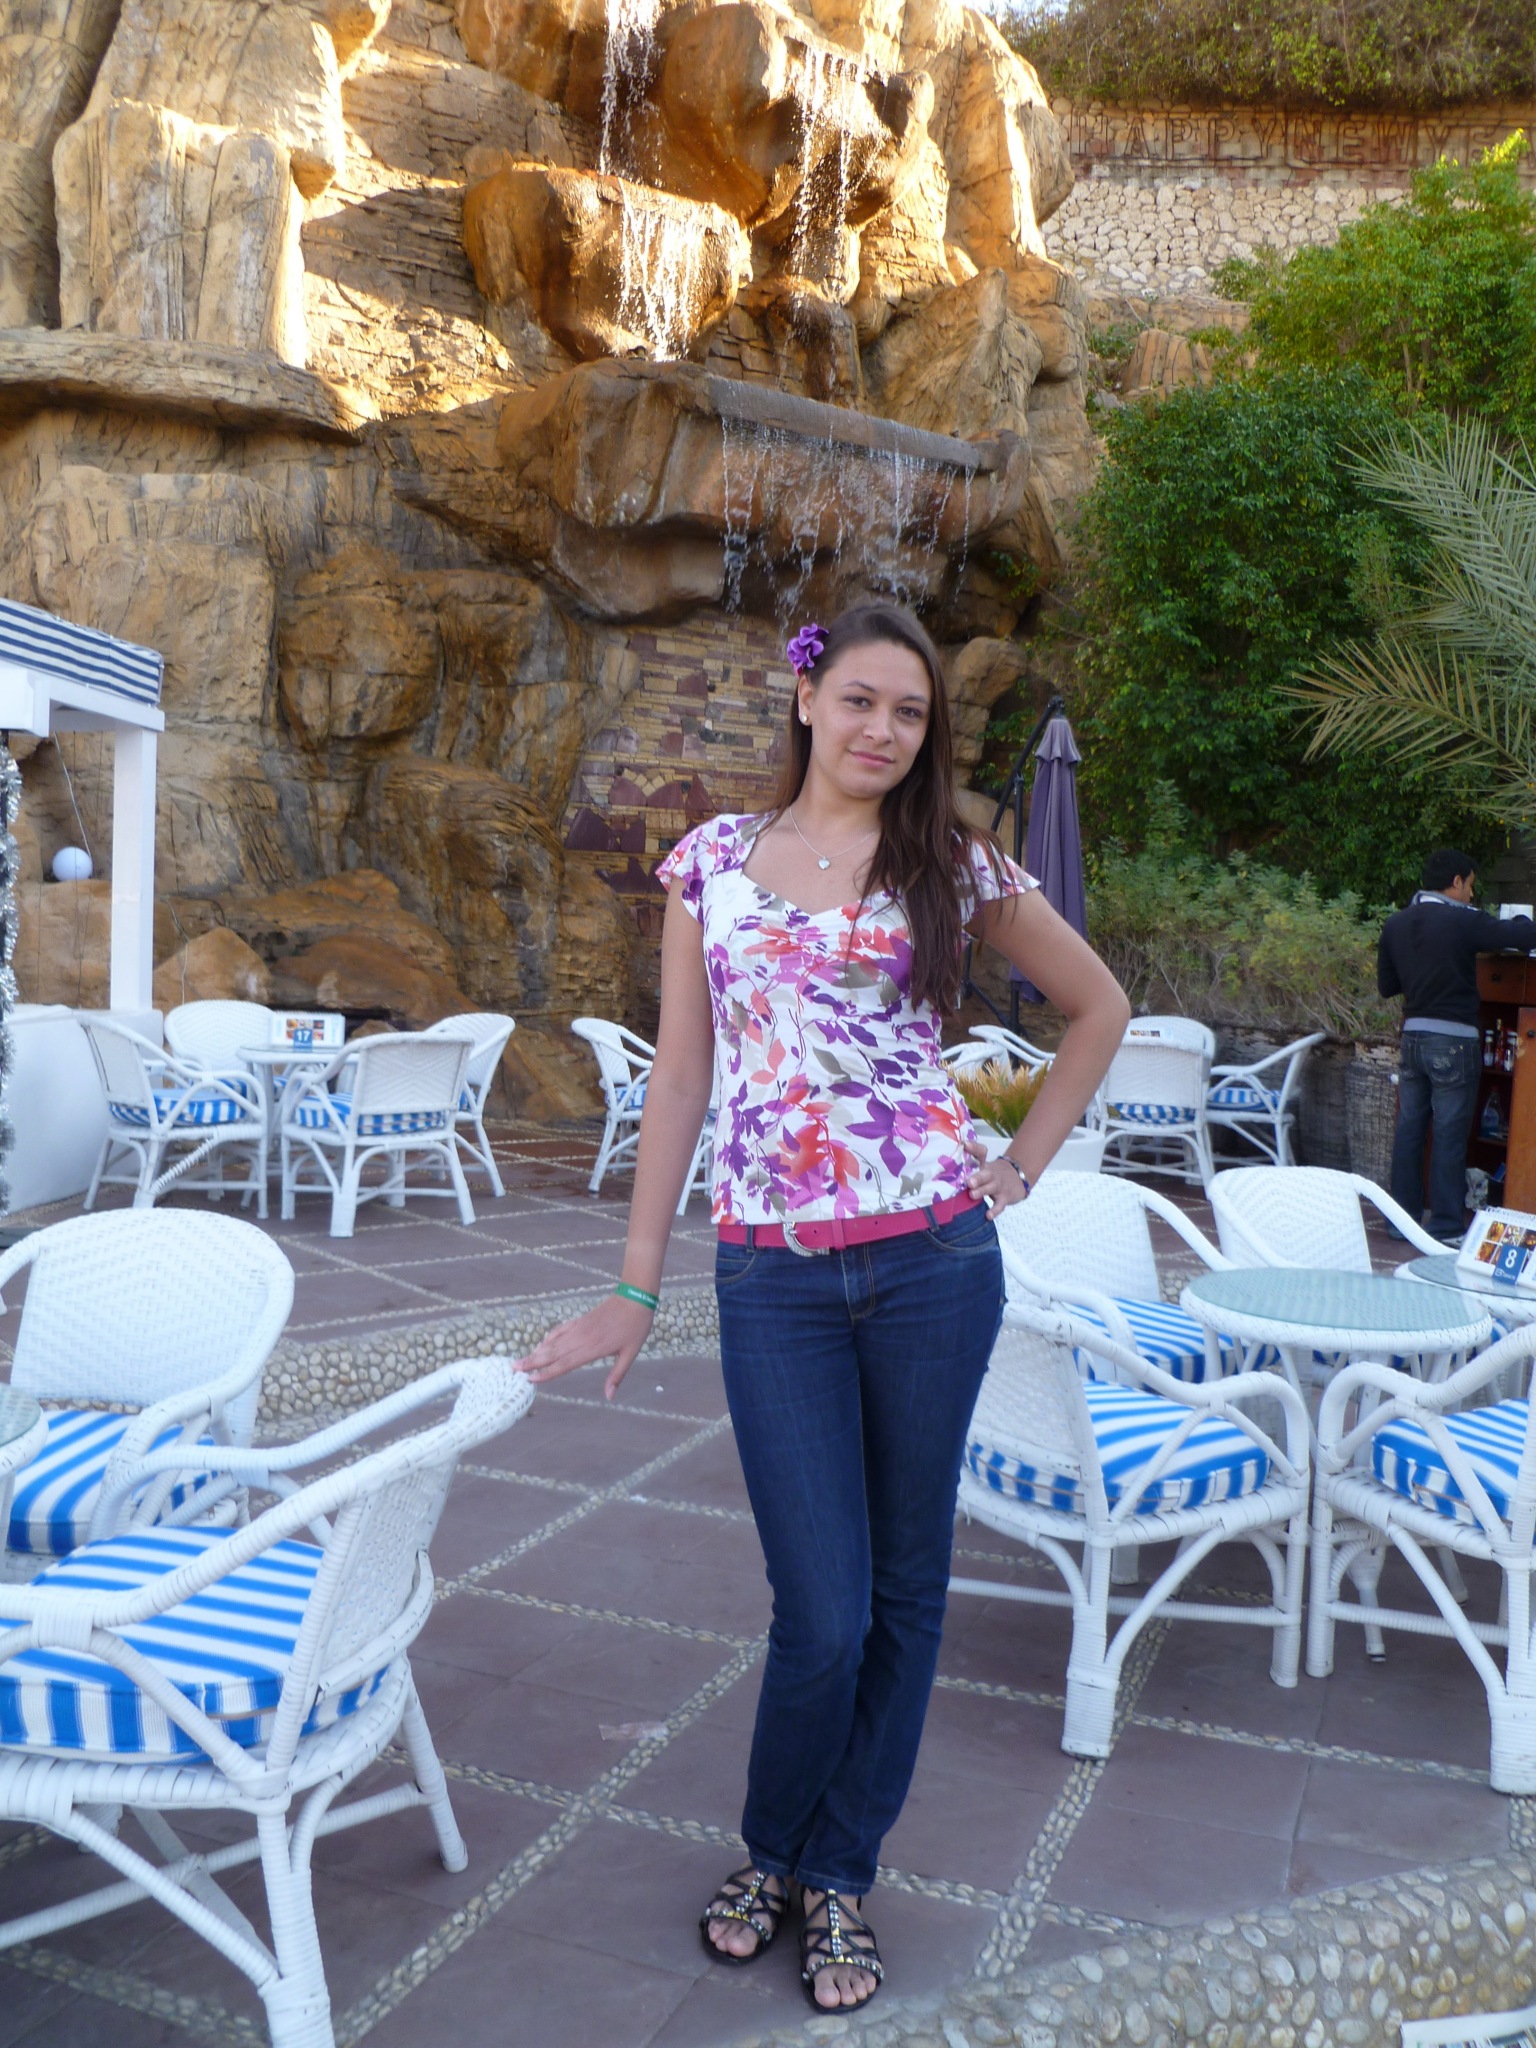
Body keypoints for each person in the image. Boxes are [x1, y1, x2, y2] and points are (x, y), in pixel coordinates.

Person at [522, 602, 1128, 2013]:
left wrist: (1018, 1165)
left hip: (933, 1263)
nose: (882, 730)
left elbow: (1097, 1007)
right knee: (823, 1610)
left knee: (908, 1590)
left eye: (910, 712)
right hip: (773, 1275)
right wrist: (634, 1282)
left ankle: (837, 1869)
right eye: (860, 699)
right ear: (806, 700)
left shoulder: (954, 863)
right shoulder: (711, 863)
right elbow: (683, 1079)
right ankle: (771, 1849)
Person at [1379, 848, 1536, 1243]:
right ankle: (1446, 1227)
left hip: (1412, 1038)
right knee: (1449, 1134)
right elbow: (1523, 936)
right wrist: (1521, 917)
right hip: (1453, 1041)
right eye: (1470, 885)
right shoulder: (1463, 920)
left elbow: (1387, 986)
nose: (1471, 894)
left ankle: (1401, 1222)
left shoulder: (1396, 923)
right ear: (1456, 882)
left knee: (1410, 1130)